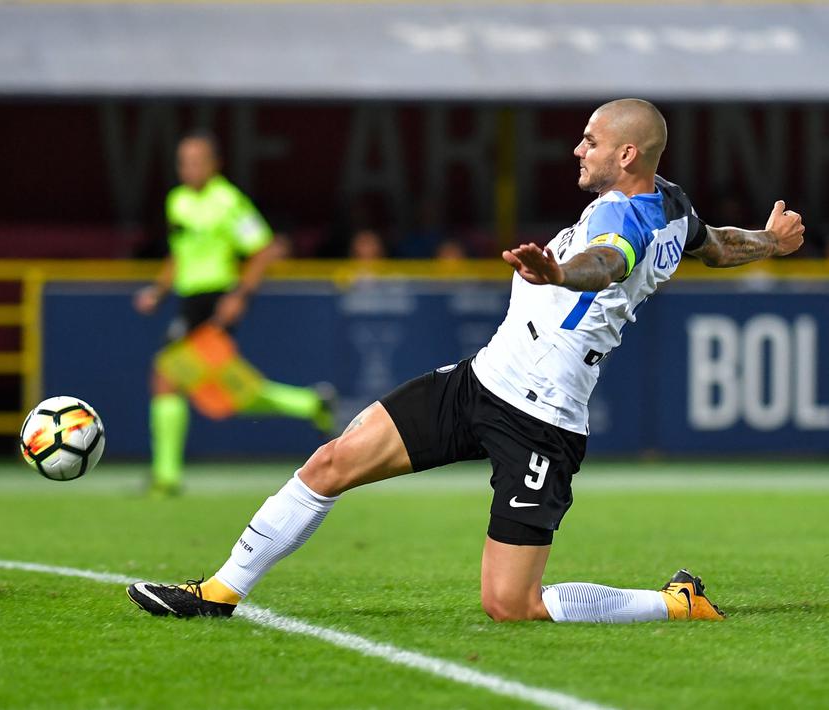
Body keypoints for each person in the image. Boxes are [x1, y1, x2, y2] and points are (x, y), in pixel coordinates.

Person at [127, 99, 805, 623]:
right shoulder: (673, 206)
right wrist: (769, 243)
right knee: (329, 463)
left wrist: (559, 272)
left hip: (541, 420)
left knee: (511, 606)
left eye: (590, 141)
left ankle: (673, 603)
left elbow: (605, 263)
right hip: (482, 381)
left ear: (626, 154)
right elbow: (715, 243)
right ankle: (218, 591)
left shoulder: (620, 221)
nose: (576, 148)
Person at [134, 131, 334, 497]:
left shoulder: (229, 201)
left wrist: (238, 295)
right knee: (229, 393)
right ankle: (311, 403)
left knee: (166, 377)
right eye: (184, 161)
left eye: (197, 161)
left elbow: (266, 249)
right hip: (188, 301)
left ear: (214, 164)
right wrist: (158, 292)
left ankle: (166, 477)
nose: (189, 168)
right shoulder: (176, 201)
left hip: (217, 301)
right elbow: (178, 255)